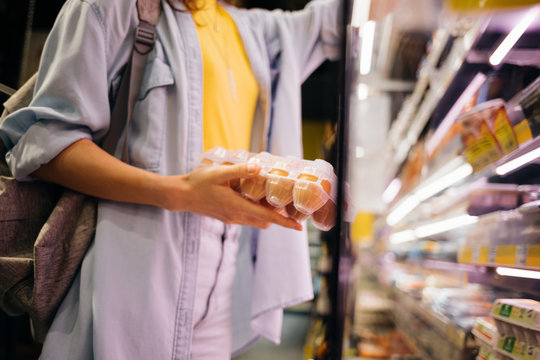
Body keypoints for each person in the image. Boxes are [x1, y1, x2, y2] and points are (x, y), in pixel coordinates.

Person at [0, 0, 342, 358]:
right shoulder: (113, 7)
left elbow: (343, 18)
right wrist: (181, 193)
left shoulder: (254, 30)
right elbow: (44, 147)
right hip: (135, 264)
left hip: (227, 270)